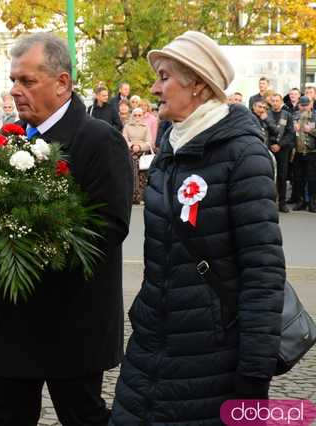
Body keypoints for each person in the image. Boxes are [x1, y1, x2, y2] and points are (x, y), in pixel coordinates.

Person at [110, 31, 285, 424]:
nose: (154, 87)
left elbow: (263, 270)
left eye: (165, 77)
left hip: (213, 357)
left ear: (199, 84)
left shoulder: (243, 154)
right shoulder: (170, 146)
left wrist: (254, 373)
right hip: (151, 345)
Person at [0, 33, 133, 426]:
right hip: (14, 318)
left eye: (27, 81)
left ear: (62, 83)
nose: (16, 91)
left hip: (73, 319)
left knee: (82, 416)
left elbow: (110, 227)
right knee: (7, 417)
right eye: (13, 80)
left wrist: (31, 246)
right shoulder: (4, 139)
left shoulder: (99, 140)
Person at [266, 93, 295, 213]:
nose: (275, 103)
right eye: (273, 101)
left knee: (282, 176)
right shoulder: (266, 114)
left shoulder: (287, 115)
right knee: (268, 176)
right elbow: (265, 131)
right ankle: (269, 202)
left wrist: (280, 145)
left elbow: (290, 133)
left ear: (281, 102)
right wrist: (270, 145)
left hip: (283, 150)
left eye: (277, 101)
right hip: (268, 149)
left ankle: (282, 203)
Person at [123, 107, 153, 204]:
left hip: (142, 153)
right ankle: (130, 196)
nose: (137, 117)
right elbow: (124, 139)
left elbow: (149, 142)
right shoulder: (127, 126)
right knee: (130, 174)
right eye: (135, 115)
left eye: (139, 115)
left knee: (142, 176)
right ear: (132, 115)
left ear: (142, 116)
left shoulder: (146, 127)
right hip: (130, 152)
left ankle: (140, 197)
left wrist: (140, 147)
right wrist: (132, 146)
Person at [292, 96, 316, 212]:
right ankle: (301, 201)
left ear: (311, 105)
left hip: (311, 152)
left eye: (306, 105)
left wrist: (311, 130)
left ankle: (312, 202)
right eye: (302, 105)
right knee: (298, 178)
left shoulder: (315, 116)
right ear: (299, 105)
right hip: (297, 152)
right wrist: (293, 130)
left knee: (312, 179)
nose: (304, 107)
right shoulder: (294, 116)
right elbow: (287, 132)